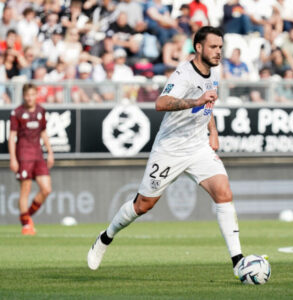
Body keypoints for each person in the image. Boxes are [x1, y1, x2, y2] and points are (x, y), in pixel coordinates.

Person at [87, 26, 250, 279]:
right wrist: (195, 101)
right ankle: (106, 237)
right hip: (170, 149)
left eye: (220, 47)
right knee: (143, 205)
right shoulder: (184, 73)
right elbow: (160, 103)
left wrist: (213, 130)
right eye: (213, 47)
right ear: (199, 48)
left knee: (223, 192)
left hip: (197, 146)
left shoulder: (213, 71)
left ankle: (238, 261)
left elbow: (208, 102)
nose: (218, 52)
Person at [8, 83, 53, 235]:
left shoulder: (41, 111)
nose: (30, 98)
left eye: (32, 95)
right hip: (24, 155)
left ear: (36, 95)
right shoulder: (17, 113)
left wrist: (50, 152)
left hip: (38, 155)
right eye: (27, 95)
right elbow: (12, 137)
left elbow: (44, 133)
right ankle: (26, 225)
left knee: (46, 189)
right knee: (25, 190)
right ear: (23, 96)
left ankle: (26, 216)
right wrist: (13, 159)